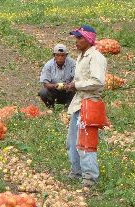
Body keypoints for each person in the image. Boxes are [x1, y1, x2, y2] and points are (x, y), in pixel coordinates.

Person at [60, 25, 107, 187]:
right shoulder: (82, 56)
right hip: (79, 103)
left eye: (79, 38)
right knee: (72, 141)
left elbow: (97, 81)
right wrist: (73, 85)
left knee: (86, 142)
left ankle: (90, 177)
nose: (76, 41)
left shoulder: (96, 57)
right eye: (76, 38)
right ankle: (76, 171)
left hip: (89, 103)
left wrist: (76, 85)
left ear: (88, 39)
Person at [38, 43, 76, 109]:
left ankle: (69, 107)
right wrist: (55, 86)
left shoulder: (73, 64)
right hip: (54, 91)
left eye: (62, 55)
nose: (60, 58)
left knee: (78, 89)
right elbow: (45, 84)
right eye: (57, 55)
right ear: (54, 55)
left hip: (68, 91)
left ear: (66, 55)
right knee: (43, 92)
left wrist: (69, 85)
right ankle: (50, 106)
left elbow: (77, 79)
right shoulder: (48, 65)